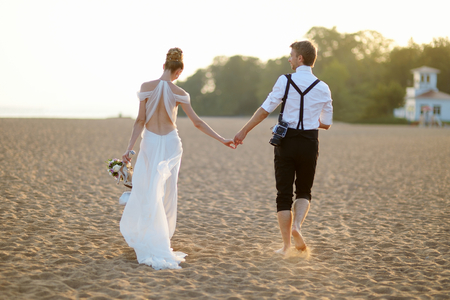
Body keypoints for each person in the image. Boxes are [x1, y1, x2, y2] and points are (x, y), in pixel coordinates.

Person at [120, 47, 235, 270]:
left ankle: (150, 235)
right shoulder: (180, 92)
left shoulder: (146, 88)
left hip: (151, 142)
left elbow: (139, 121)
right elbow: (197, 122)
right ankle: (161, 236)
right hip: (171, 143)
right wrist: (221, 139)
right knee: (166, 191)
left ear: (163, 66)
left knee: (147, 188)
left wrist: (129, 149)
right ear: (179, 72)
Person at [234, 40, 333, 255]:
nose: (289, 59)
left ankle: (287, 245)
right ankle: (297, 226)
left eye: (291, 55)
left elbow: (264, 110)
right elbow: (326, 123)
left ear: (300, 58)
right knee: (304, 190)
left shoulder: (284, 81)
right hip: (309, 141)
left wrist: (243, 131)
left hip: (285, 141)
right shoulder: (323, 87)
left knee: (283, 194)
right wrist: (308, 120)